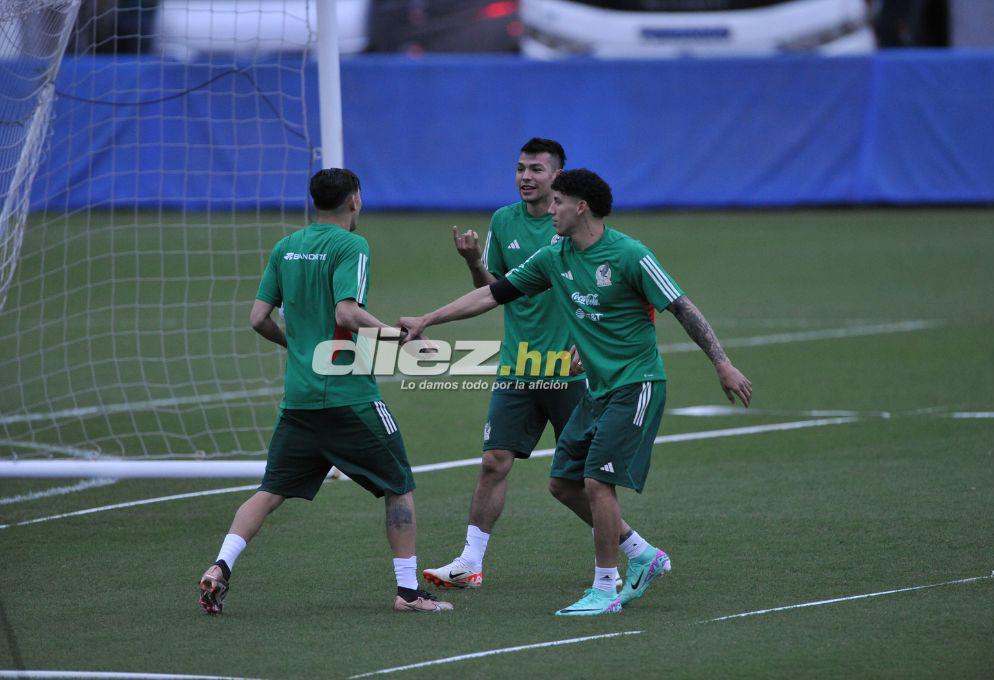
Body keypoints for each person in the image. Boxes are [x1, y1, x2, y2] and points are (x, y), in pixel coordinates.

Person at [399, 169, 752, 616]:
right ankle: (643, 554)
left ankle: (605, 590)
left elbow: (681, 307)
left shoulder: (630, 255)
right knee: (563, 484)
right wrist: (428, 319)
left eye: (558, 202)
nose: (550, 210)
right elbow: (493, 294)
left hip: (637, 384)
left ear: (580, 206)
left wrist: (721, 363)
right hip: (598, 392)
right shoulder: (555, 256)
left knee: (597, 482)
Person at [198, 168, 452, 615]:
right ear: (355, 199)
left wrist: (296, 347)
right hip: (348, 397)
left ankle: (221, 565)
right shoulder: (351, 245)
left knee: (270, 490)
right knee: (399, 485)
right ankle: (409, 593)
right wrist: (399, 335)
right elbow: (348, 313)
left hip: (299, 400)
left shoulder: (286, 247)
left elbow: (258, 318)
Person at [423, 138, 596, 590]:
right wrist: (473, 261)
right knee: (494, 461)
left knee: (586, 478)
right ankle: (470, 562)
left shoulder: (574, 226)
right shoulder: (503, 220)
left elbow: (598, 293)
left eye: (536, 169)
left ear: (558, 176)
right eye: (520, 168)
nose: (525, 177)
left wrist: (587, 344)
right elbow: (495, 289)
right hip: (519, 364)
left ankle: (630, 552)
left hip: (570, 369)